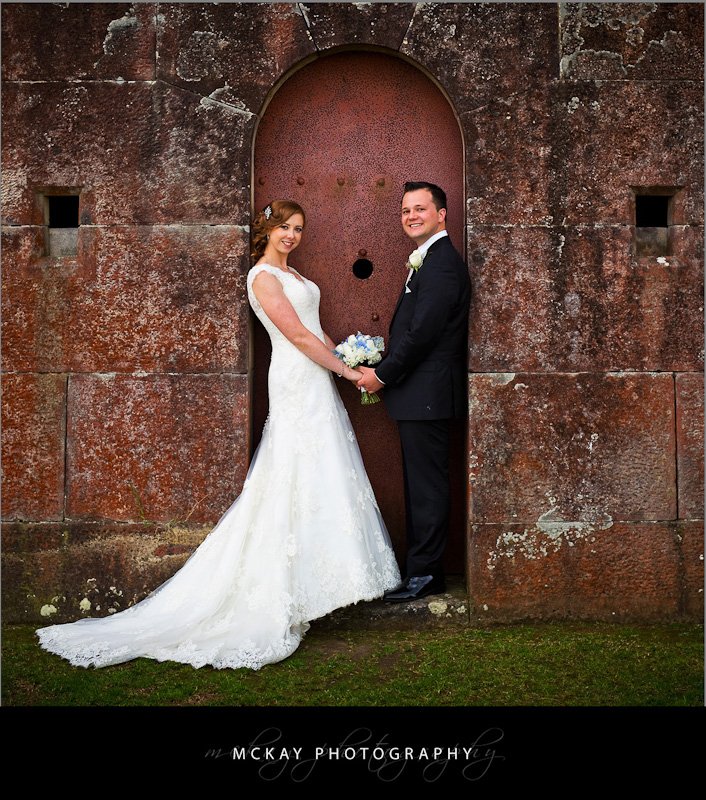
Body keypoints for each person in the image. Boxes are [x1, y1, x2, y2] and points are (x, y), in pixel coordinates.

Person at [36, 200, 401, 670]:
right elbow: (298, 337)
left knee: (320, 472)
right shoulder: (263, 278)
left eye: (298, 228)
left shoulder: (297, 278)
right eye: (282, 227)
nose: (290, 235)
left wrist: (349, 359)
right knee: (288, 474)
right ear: (265, 230)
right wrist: (348, 376)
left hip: (316, 379)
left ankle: (312, 585)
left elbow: (319, 333)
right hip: (294, 377)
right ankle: (274, 591)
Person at [357, 182, 471, 602]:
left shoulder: (440, 265)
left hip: (427, 396)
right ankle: (422, 571)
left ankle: (425, 574)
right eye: (405, 210)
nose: (411, 216)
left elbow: (423, 334)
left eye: (420, 208)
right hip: (421, 397)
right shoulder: (427, 261)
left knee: (427, 488)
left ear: (442, 214)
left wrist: (382, 375)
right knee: (422, 485)